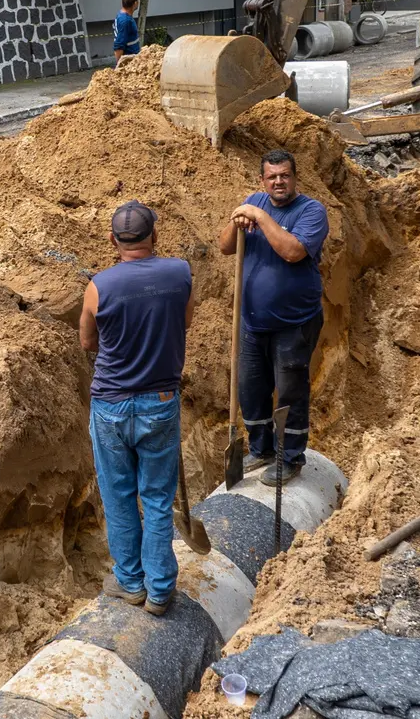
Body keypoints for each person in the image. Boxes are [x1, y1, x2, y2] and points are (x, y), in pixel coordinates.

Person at [79, 200, 194, 617]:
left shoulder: (99, 286)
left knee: (119, 496)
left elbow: (87, 342)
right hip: (159, 403)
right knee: (158, 497)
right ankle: (160, 590)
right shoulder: (180, 273)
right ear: (154, 236)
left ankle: (130, 583)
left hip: (110, 404)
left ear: (114, 241)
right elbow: (186, 322)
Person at [216, 149, 329, 487]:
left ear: (294, 177)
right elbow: (225, 247)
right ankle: (261, 448)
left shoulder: (311, 211)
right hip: (252, 323)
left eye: (285, 175)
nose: (279, 182)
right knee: (251, 389)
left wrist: (260, 217)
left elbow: (293, 251)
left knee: (290, 393)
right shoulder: (254, 202)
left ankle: (290, 457)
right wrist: (237, 221)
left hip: (294, 324)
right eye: (272, 177)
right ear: (262, 180)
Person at [112, 0, 141, 65]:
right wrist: (120, 68)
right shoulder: (125, 21)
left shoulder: (122, 14)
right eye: (138, 0)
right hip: (130, 65)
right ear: (135, 3)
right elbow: (118, 47)